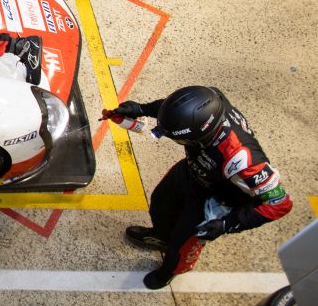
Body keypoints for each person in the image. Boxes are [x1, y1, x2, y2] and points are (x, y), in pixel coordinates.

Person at [106, 86, 292, 290]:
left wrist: (227, 224)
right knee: (159, 202)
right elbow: (176, 111)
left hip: (217, 198)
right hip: (194, 171)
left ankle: (168, 272)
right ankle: (161, 236)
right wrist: (142, 109)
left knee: (182, 243)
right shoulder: (209, 100)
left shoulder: (243, 161)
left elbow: (279, 203)